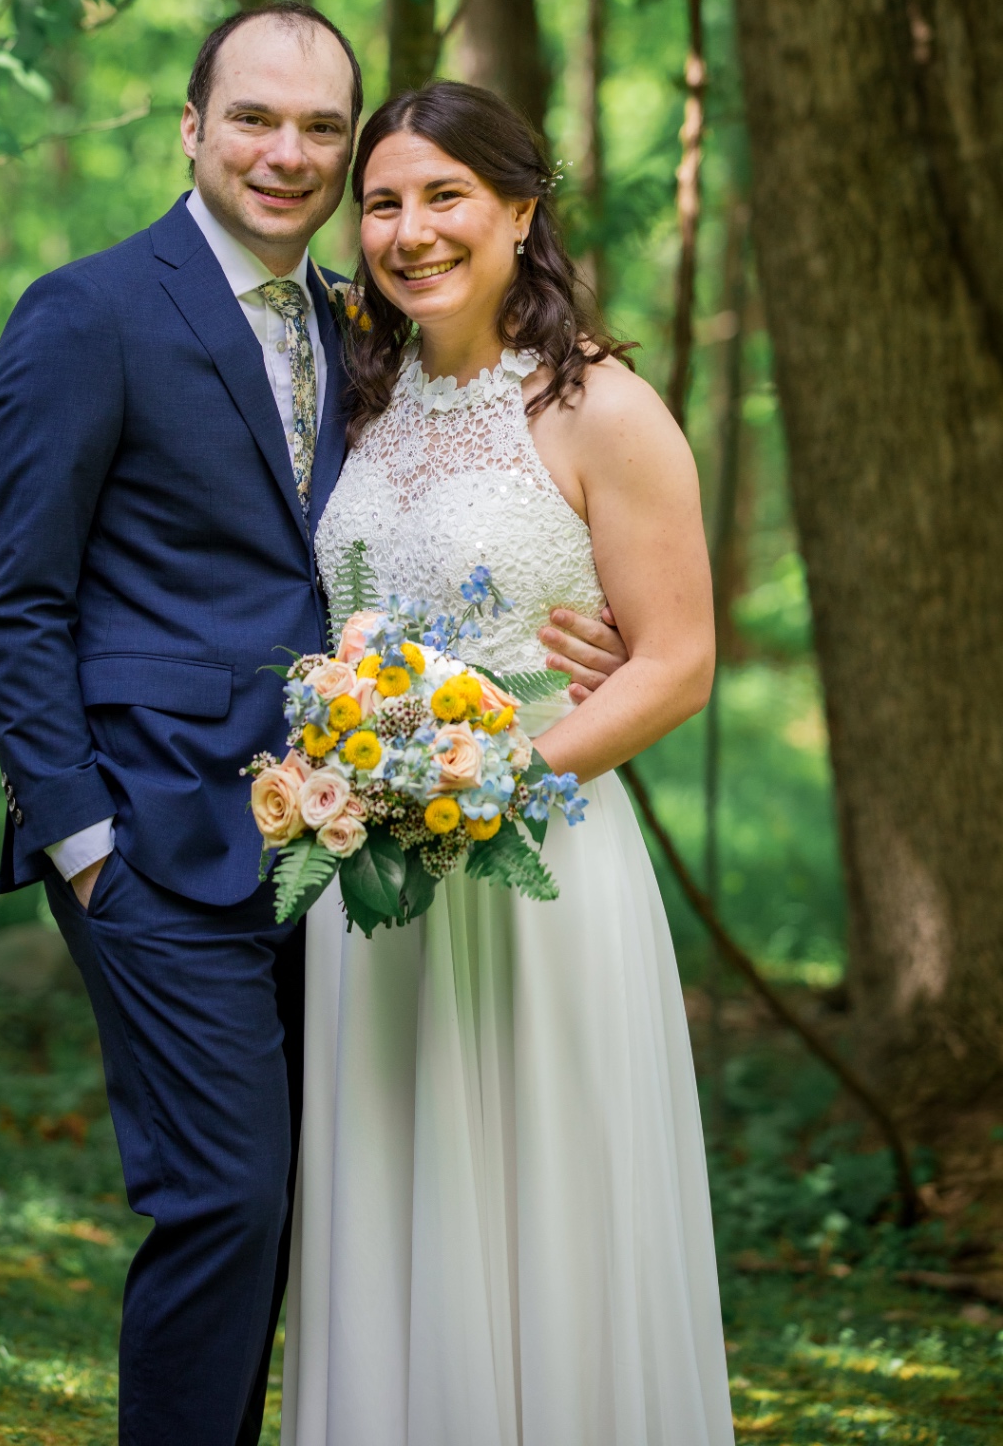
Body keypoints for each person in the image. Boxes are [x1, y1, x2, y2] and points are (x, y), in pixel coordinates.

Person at [0, 9, 627, 1446]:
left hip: (334, 856)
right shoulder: (87, 313)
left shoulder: (361, 329)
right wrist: (83, 839)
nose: (289, 152)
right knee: (226, 1197)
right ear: (192, 129)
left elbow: (448, 536)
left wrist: (586, 624)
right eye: (254, 118)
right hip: (149, 838)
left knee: (326, 1205)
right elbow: (19, 600)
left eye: (322, 129)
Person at [283, 80, 736, 1446]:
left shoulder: (600, 405)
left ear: (522, 211)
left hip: (542, 865)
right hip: (374, 895)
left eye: (444, 197)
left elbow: (676, 659)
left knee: (548, 1202)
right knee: (390, 1192)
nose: (409, 230)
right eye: (382, 204)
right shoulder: (359, 394)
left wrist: (499, 784)